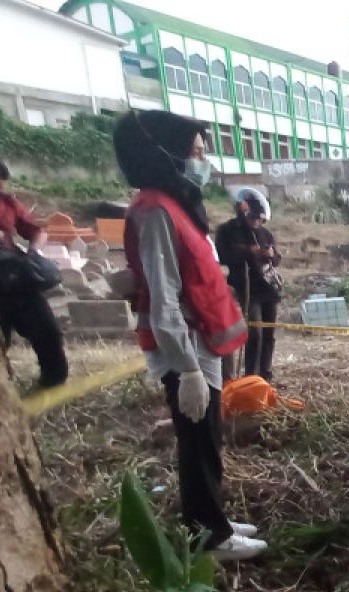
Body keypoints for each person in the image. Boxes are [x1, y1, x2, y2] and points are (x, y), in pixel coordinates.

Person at [114, 110, 265, 561]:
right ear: (168, 154)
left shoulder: (176, 205)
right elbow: (163, 299)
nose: (204, 160)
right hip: (184, 348)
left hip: (201, 342)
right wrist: (187, 370)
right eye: (197, 151)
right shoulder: (155, 210)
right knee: (197, 442)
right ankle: (209, 538)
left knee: (208, 437)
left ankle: (211, 517)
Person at [0, 155, 68, 388]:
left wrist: (34, 250)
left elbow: (37, 231)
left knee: (48, 331)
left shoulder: (6, 202)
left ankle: (53, 382)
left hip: (15, 278)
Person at [216, 189, 282, 382]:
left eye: (260, 220)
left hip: (268, 289)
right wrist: (249, 252)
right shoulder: (227, 231)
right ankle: (251, 377)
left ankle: (265, 375)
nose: (257, 222)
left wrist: (270, 255)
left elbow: (276, 258)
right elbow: (222, 256)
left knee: (268, 333)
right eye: (254, 218)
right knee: (255, 334)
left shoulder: (264, 233)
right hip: (246, 288)